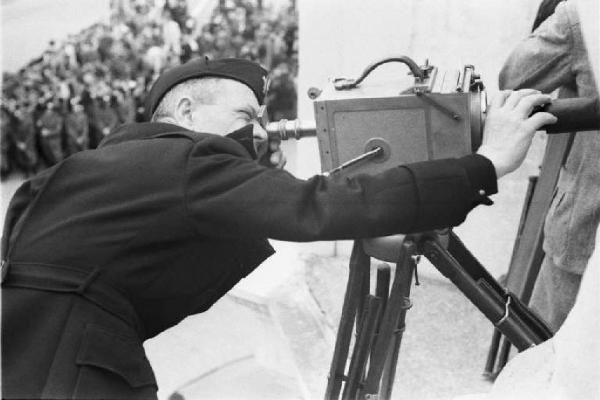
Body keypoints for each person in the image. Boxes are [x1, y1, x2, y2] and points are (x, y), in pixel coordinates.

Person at [1, 57, 556, 399]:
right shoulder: (187, 160)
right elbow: (318, 208)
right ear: (188, 110)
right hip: (69, 374)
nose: (262, 132)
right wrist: (483, 165)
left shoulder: (84, 169)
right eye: (246, 118)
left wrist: (248, 173)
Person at [499, 0, 599, 331]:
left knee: (544, 359)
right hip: (584, 229)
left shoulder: (584, 17)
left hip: (584, 232)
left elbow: (514, 76)